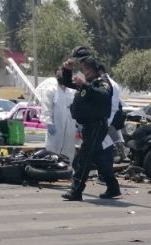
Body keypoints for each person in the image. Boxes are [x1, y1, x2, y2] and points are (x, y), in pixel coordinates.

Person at [64, 47, 123, 196]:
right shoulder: (89, 83)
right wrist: (67, 71)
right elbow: (69, 83)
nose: (85, 73)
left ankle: (76, 190)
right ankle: (113, 188)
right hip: (88, 126)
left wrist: (84, 84)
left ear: (95, 70)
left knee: (83, 158)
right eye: (83, 70)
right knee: (100, 160)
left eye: (87, 70)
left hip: (99, 126)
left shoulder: (102, 82)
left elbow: (103, 95)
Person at [36, 67, 77, 160]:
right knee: (53, 153)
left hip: (70, 128)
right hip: (55, 128)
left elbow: (76, 109)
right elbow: (46, 109)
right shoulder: (50, 90)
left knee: (69, 152)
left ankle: (68, 171)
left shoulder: (72, 91)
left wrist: (79, 125)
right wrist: (49, 123)